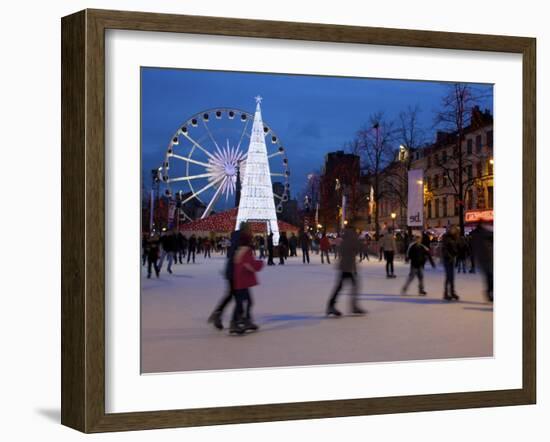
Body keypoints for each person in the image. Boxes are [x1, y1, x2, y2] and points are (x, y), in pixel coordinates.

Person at [208, 223, 251, 330]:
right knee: (239, 296)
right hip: (235, 272)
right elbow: (238, 257)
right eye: (249, 229)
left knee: (232, 295)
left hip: (231, 271)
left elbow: (231, 255)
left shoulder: (236, 238)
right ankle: (236, 320)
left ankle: (220, 314)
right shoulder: (241, 239)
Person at [326, 226, 366, 317]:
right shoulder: (351, 240)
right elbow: (361, 248)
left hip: (345, 267)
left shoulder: (344, 240)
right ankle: (353, 306)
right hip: (348, 268)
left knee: (341, 287)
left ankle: (331, 306)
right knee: (353, 286)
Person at [230, 231, 264, 334]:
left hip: (239, 280)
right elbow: (249, 264)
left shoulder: (239, 250)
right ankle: (237, 322)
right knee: (244, 302)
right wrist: (260, 264)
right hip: (242, 280)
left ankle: (244, 320)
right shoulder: (247, 250)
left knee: (244, 302)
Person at [470, 222, 494, 302]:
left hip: (481, 258)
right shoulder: (484, 233)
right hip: (488, 257)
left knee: (489, 276)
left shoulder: (475, 235)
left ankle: (489, 292)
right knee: (490, 275)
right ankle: (489, 292)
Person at [441, 225, 460, 301]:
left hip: (452, 259)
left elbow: (456, 248)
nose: (454, 230)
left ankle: (452, 292)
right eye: (453, 229)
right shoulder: (446, 237)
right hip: (447, 259)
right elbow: (444, 249)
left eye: (455, 229)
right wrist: (449, 256)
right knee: (449, 276)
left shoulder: (455, 238)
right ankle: (446, 293)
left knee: (451, 277)